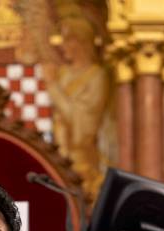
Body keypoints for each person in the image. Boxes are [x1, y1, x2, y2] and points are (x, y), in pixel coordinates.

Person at [42, 17, 109, 196]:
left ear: (81, 43)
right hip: (57, 155)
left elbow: (83, 125)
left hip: (82, 163)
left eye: (67, 40)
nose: (62, 46)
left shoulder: (96, 77)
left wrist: (53, 86)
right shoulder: (62, 74)